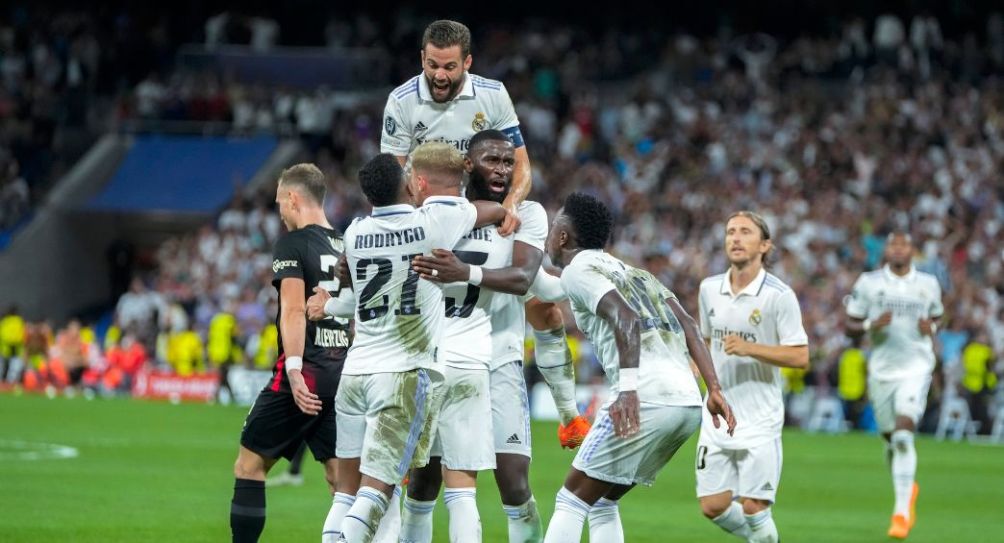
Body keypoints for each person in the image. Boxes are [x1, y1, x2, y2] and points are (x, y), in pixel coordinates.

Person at [381, 20, 584, 448]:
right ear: (422, 58)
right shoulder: (401, 102)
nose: (440, 75)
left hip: (489, 217)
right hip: (435, 223)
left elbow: (523, 166)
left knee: (545, 308)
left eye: (450, 67)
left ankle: (569, 416)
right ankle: (402, 428)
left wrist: (509, 207)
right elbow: (390, 179)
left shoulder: (491, 95)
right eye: (432, 64)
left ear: (467, 63)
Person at [305, 145, 507, 543]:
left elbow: (353, 295)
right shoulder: (434, 223)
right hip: (402, 376)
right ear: (410, 185)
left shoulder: (356, 232)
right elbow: (485, 211)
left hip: (356, 372)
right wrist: (505, 209)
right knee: (375, 493)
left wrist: (328, 302)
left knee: (344, 493)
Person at [405, 130, 586, 542]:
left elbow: (525, 279)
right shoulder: (441, 216)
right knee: (423, 483)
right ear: (468, 165)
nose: (502, 169)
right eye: (492, 160)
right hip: (437, 362)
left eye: (508, 162)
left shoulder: (529, 214)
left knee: (515, 484)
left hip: (499, 361)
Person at [538, 192, 735, 543]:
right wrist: (714, 389)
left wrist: (628, 390)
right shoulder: (636, 273)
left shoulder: (579, 268)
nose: (549, 235)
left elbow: (624, 317)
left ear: (564, 236)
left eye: (553, 227)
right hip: (686, 404)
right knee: (601, 502)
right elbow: (689, 324)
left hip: (644, 397)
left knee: (570, 498)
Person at [229, 163, 352, 543]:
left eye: (280, 202)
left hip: (306, 375)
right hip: (343, 372)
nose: (280, 212)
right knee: (341, 481)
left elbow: (295, 309)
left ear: (294, 198)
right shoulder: (346, 242)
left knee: (249, 466)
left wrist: (295, 371)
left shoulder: (293, 244)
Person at [695, 211, 809, 543]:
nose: (735, 238)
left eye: (746, 232)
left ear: (764, 245)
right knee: (712, 506)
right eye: (731, 231)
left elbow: (800, 355)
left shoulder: (778, 295)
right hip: (716, 414)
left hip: (760, 418)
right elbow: (704, 344)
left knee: (754, 508)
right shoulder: (709, 289)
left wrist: (751, 348)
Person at [845, 231, 943, 540]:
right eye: (893, 244)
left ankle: (900, 513)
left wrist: (934, 327)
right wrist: (868, 326)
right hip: (882, 371)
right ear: (887, 250)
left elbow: (939, 315)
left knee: (903, 435)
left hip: (916, 368)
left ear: (912, 250)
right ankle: (907, 487)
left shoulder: (928, 284)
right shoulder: (869, 283)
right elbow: (850, 327)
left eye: (904, 244)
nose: (898, 249)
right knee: (891, 439)